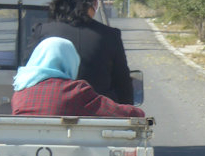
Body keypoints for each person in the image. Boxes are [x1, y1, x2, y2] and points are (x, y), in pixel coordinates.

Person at [26, 0, 134, 104]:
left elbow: (26, 78)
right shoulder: (109, 36)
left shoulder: (42, 32)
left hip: (47, 116)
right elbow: (124, 92)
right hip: (99, 120)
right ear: (95, 1)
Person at [11, 37, 145, 118]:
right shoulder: (75, 91)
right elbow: (114, 112)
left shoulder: (20, 92)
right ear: (71, 61)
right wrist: (138, 114)